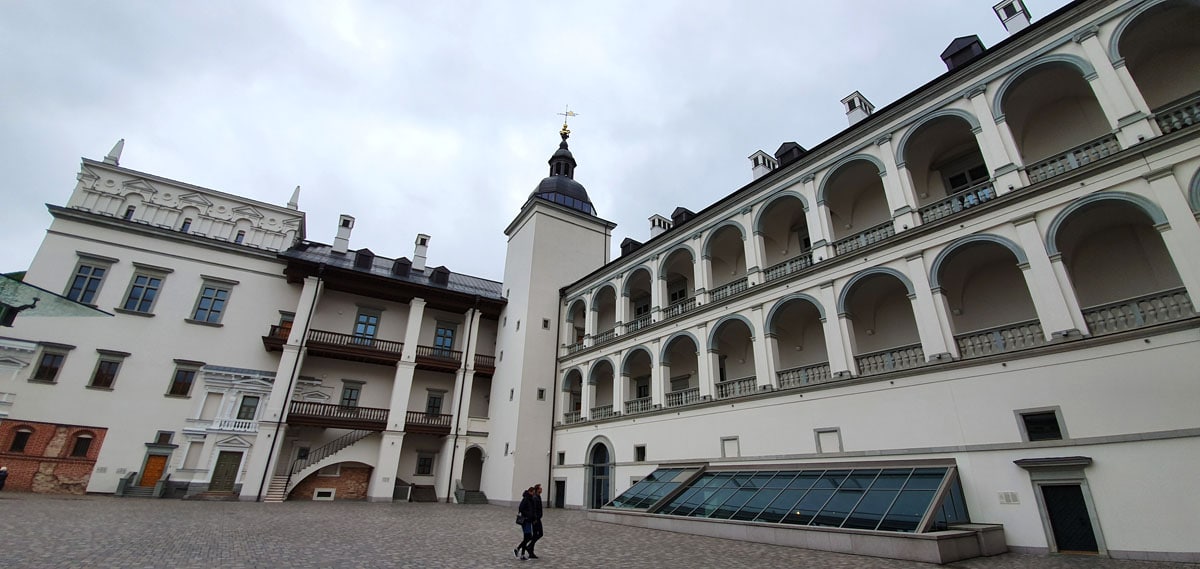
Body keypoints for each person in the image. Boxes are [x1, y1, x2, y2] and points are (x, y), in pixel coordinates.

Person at [515, 486, 535, 560]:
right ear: (530, 491)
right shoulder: (526, 499)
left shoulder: (530, 499)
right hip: (525, 521)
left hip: (528, 521)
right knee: (528, 537)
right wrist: (527, 515)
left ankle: (521, 553)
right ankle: (519, 550)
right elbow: (521, 508)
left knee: (527, 537)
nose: (533, 494)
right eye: (533, 492)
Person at [527, 484, 545, 559]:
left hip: (538, 518)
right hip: (536, 519)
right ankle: (530, 547)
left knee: (537, 534)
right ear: (537, 489)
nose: (541, 489)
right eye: (540, 488)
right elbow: (533, 509)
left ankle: (531, 550)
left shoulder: (538, 497)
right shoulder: (535, 498)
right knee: (539, 533)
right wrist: (534, 519)